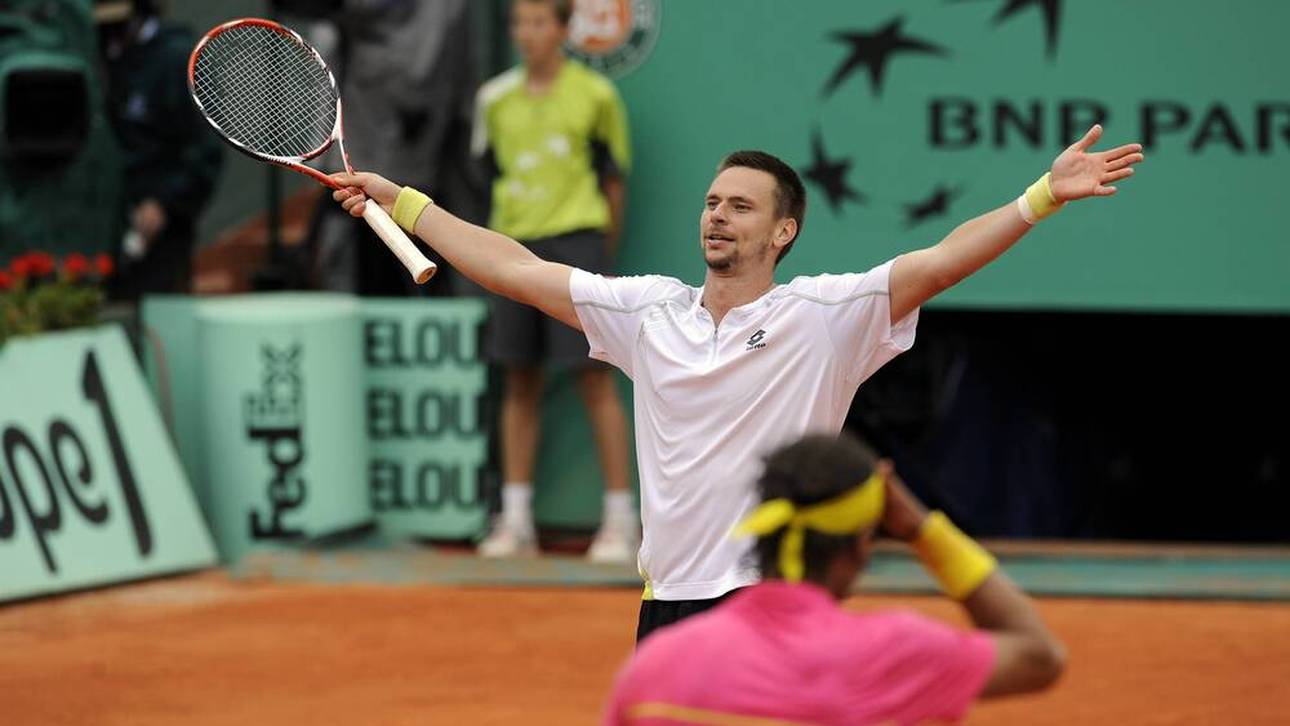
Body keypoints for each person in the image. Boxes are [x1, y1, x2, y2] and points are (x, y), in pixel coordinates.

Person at [330, 122, 1143, 639]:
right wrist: (402, 202)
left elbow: (939, 261)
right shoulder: (648, 313)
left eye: (742, 207)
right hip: (669, 602)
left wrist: (1040, 197)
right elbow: (518, 268)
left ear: (784, 229)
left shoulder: (827, 314)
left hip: (773, 597)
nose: (717, 215)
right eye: (713, 202)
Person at [602, 431, 1066, 725]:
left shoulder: (655, 666)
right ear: (861, 544)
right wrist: (922, 530)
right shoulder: (897, 653)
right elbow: (1039, 656)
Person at [470, 0, 636, 563]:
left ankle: (620, 520)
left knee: (595, 381)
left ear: (565, 30)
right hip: (513, 249)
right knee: (520, 382)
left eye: (540, 22)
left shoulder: (596, 97)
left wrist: (596, 253)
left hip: (577, 244)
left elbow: (613, 183)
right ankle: (516, 521)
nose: (527, 33)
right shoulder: (492, 100)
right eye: (519, 22)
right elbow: (487, 177)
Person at [95, 0, 222, 299]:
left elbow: (205, 152)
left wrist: (163, 203)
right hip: (111, 225)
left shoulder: (176, 58)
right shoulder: (105, 58)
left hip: (163, 232)